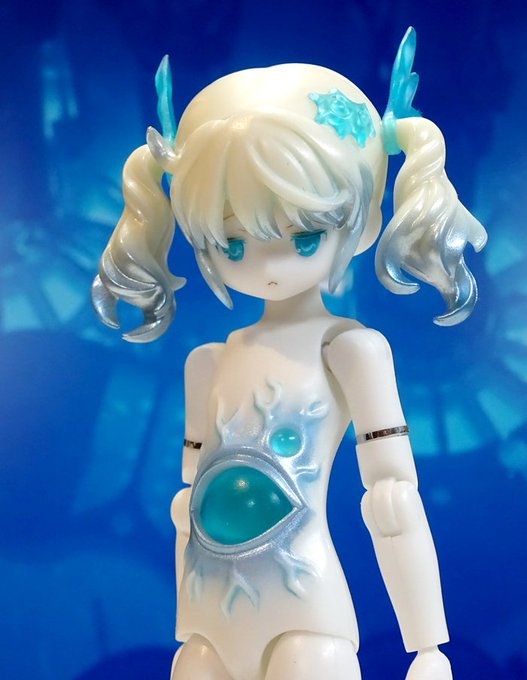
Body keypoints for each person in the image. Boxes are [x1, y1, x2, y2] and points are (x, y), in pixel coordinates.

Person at [92, 28, 486, 680]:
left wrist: (427, 648)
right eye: (232, 242)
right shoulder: (207, 364)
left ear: (362, 223)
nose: (268, 263)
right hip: (204, 630)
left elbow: (391, 500)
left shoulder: (349, 350)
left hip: (305, 616)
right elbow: (190, 507)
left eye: (304, 236)